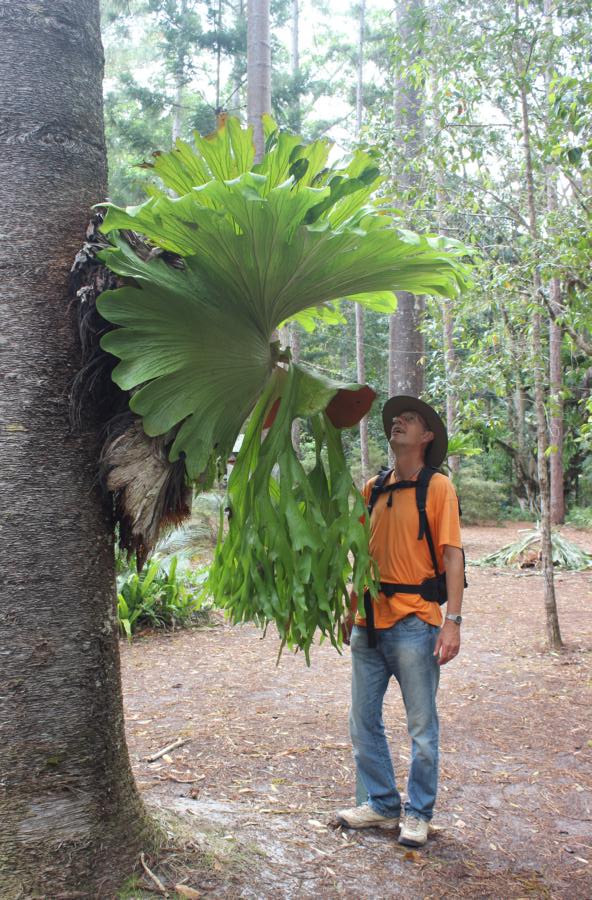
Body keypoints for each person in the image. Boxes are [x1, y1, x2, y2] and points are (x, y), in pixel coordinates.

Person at [337, 395, 465, 847]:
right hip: (369, 623)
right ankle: (382, 804)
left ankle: (419, 812)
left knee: (421, 729)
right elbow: (362, 556)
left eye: (409, 419)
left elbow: (453, 556)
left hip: (415, 622)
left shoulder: (438, 487)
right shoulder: (373, 488)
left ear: (426, 437)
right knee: (362, 721)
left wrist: (453, 621)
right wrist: (351, 608)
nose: (398, 422)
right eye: (395, 419)